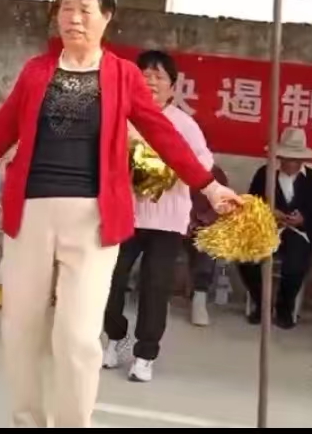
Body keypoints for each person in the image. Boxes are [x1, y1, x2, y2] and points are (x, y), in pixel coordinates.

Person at [0, 0, 240, 429]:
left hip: (93, 221)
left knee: (77, 338)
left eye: (85, 10)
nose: (73, 18)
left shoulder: (123, 76)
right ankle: (28, 420)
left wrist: (210, 185)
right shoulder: (36, 72)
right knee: (20, 331)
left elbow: (164, 136)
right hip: (30, 215)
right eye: (66, 8)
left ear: (107, 16)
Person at [102, 50, 214, 383]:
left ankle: (145, 354)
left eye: (159, 77)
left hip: (167, 220)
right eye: (144, 75)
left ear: (173, 87)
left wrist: (169, 171)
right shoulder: (121, 116)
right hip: (125, 214)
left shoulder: (184, 124)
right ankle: (114, 337)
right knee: (110, 279)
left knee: (155, 286)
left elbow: (204, 163)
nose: (151, 82)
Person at [238, 127, 312, 330]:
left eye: (296, 159)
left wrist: (302, 220)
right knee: (245, 257)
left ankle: (285, 308)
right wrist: (269, 213)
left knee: (295, 264)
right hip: (267, 230)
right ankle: (262, 304)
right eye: (287, 158)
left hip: (298, 234)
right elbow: (250, 206)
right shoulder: (265, 174)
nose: (291, 164)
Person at [185, 163, 230, 327]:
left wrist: (203, 220)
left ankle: (199, 296)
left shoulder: (216, 174)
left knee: (207, 244)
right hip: (176, 224)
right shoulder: (176, 169)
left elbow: (223, 204)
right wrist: (187, 220)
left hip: (203, 226)